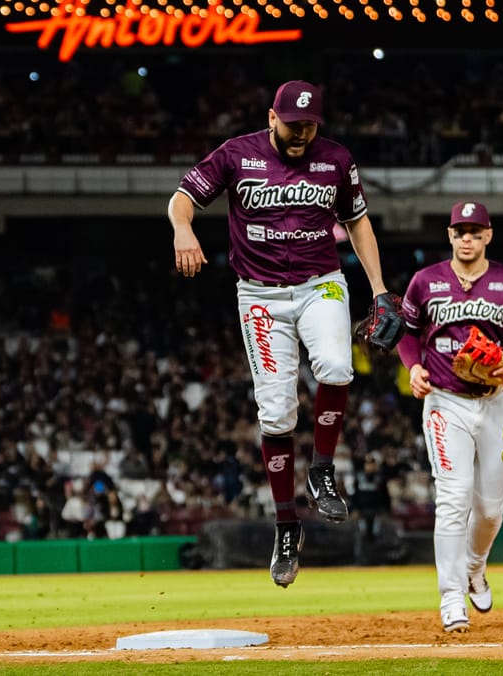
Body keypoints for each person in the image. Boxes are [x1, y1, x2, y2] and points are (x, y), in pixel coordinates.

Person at [167, 79, 398, 588]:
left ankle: (322, 470)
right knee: (276, 413)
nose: (301, 133)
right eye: (293, 124)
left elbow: (358, 224)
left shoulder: (336, 159)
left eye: (310, 124)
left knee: (338, 367)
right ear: (272, 117)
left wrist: (379, 288)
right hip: (260, 296)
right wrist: (184, 229)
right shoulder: (236, 153)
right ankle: (287, 523)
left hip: (322, 285)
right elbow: (183, 196)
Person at [395, 200, 503, 633]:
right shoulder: (425, 281)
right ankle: (451, 597)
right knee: (453, 497)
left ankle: (475, 568)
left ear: (488, 236)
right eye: (461, 231)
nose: (468, 239)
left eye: (476, 232)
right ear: (450, 235)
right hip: (444, 400)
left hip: (496, 400)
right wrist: (413, 367)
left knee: (491, 509)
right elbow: (407, 330)